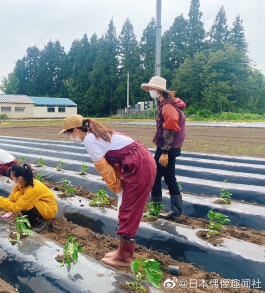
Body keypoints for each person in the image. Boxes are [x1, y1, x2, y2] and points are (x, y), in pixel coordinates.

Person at [58, 115, 156, 268]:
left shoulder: (90, 140)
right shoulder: (95, 134)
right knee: (126, 207)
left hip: (140, 166)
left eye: (69, 134)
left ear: (76, 130)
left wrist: (118, 189)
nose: (70, 137)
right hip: (139, 162)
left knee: (128, 209)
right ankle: (122, 251)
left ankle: (124, 257)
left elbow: (104, 169)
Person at [141, 76, 186, 221]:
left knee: (155, 177)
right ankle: (175, 212)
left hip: (167, 148)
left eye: (152, 89)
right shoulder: (167, 104)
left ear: (159, 91)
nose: (150, 91)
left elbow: (170, 129)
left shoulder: (167, 106)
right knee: (168, 176)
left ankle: (155, 211)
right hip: (170, 147)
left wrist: (165, 152)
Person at [0, 163, 57, 233]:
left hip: (49, 210)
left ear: (19, 178)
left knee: (25, 203)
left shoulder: (33, 188)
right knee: (19, 196)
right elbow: (12, 199)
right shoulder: (21, 184)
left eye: (11, 178)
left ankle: (39, 223)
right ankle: (31, 220)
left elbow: (16, 207)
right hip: (40, 206)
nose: (11, 180)